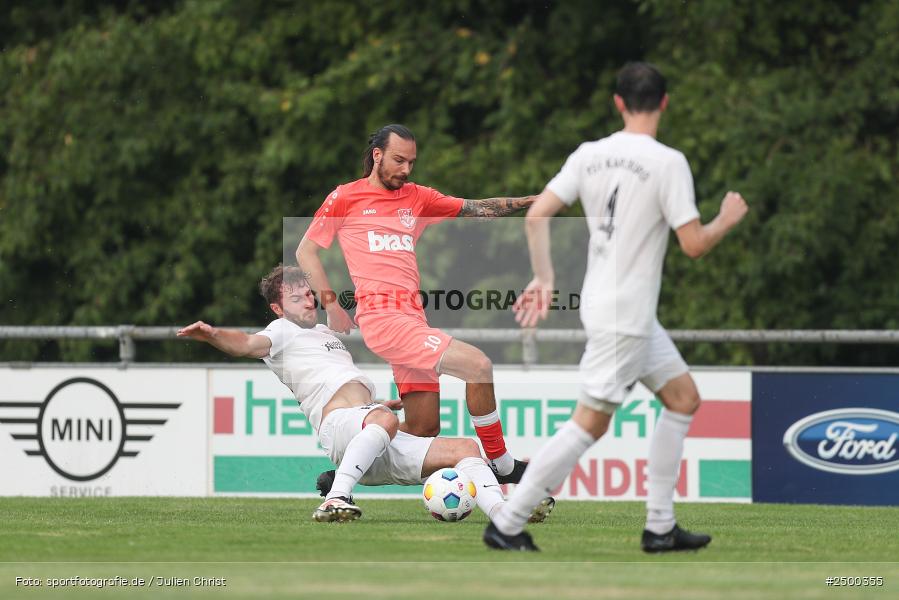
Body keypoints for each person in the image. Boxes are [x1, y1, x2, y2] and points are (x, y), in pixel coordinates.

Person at [483, 62, 749, 552]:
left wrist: (544, 277)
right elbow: (693, 244)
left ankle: (660, 527)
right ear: (665, 102)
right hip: (625, 317)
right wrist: (726, 220)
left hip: (621, 311)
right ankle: (507, 522)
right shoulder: (669, 162)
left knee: (684, 398)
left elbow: (538, 214)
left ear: (619, 103)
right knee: (590, 423)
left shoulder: (590, 154)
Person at [177, 265, 554, 523]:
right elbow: (245, 343)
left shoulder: (326, 334)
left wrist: (380, 406)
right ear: (278, 308)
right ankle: (336, 496)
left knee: (467, 449)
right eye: (297, 298)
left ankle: (503, 514)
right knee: (383, 420)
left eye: (309, 294)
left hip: (370, 428)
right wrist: (212, 335)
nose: (309, 300)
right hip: (343, 427)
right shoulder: (280, 331)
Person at [296, 124, 535, 484]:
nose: (406, 170)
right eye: (398, 160)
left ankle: (348, 471)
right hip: (384, 320)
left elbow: (477, 208)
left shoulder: (417, 197)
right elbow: (306, 251)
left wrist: (533, 202)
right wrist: (331, 304)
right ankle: (503, 465)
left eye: (411, 162)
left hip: (413, 321)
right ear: (377, 155)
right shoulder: (345, 197)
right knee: (478, 366)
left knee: (423, 429)